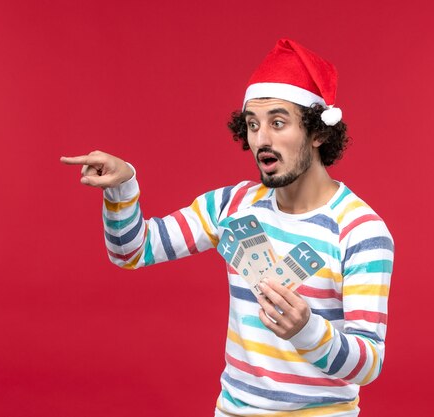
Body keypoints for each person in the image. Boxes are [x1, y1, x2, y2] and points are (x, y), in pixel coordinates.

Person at [61, 39, 394, 417]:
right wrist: (124, 187)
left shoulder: (361, 231)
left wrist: (306, 330)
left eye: (278, 122)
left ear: (318, 133)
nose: (261, 139)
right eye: (253, 125)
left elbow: (369, 365)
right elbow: (132, 252)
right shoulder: (232, 205)